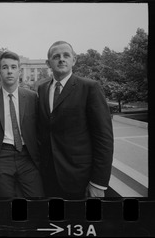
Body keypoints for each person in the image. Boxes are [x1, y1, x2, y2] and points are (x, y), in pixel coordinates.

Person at [38, 41, 113, 199]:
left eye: (66, 55)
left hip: (79, 178)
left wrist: (98, 183)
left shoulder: (90, 88)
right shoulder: (42, 89)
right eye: (56, 56)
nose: (61, 59)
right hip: (48, 177)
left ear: (74, 59)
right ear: (48, 63)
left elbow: (104, 138)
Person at [0, 51, 44, 198]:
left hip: (28, 157)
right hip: (0, 156)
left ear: (19, 71)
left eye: (13, 67)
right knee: (4, 205)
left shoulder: (32, 97)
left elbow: (40, 130)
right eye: (5, 67)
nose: (9, 71)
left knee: (38, 200)